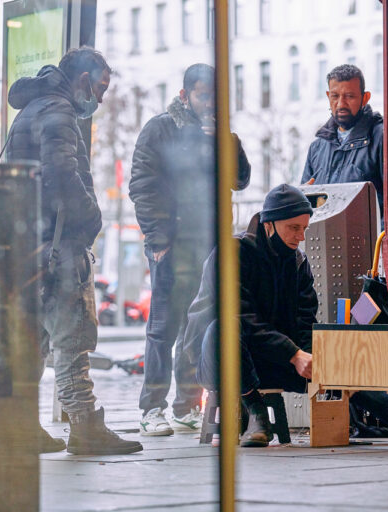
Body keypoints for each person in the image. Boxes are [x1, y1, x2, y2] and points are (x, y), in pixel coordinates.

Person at [184, 184, 388, 447]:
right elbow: (241, 316)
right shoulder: (234, 252)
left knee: (342, 373)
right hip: (217, 356)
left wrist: (322, 362)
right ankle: (256, 412)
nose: (300, 237)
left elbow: (305, 323)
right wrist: (293, 354)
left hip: (270, 358)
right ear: (269, 224)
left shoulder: (298, 263)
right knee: (225, 326)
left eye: (304, 228)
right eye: (293, 228)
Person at [6, 47, 142, 455]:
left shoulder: (33, 106)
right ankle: (85, 427)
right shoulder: (60, 111)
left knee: (37, 341)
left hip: (28, 243)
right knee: (72, 338)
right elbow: (62, 173)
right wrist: (91, 219)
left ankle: (24, 427)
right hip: (59, 244)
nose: (99, 100)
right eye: (100, 89)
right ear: (83, 80)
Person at [130, 63, 251, 436]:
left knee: (197, 326)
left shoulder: (218, 133)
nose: (209, 102)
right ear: (185, 95)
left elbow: (241, 179)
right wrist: (157, 239)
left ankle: (186, 405)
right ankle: (152, 409)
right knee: (163, 328)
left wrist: (225, 144)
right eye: (202, 94)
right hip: (172, 244)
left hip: (208, 245)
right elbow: (142, 184)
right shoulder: (161, 128)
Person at [301, 64, 384, 215]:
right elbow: (304, 210)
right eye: (335, 96)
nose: (340, 104)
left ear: (365, 98)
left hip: (370, 238)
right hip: (323, 237)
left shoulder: (381, 137)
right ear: (328, 96)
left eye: (349, 96)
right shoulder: (317, 147)